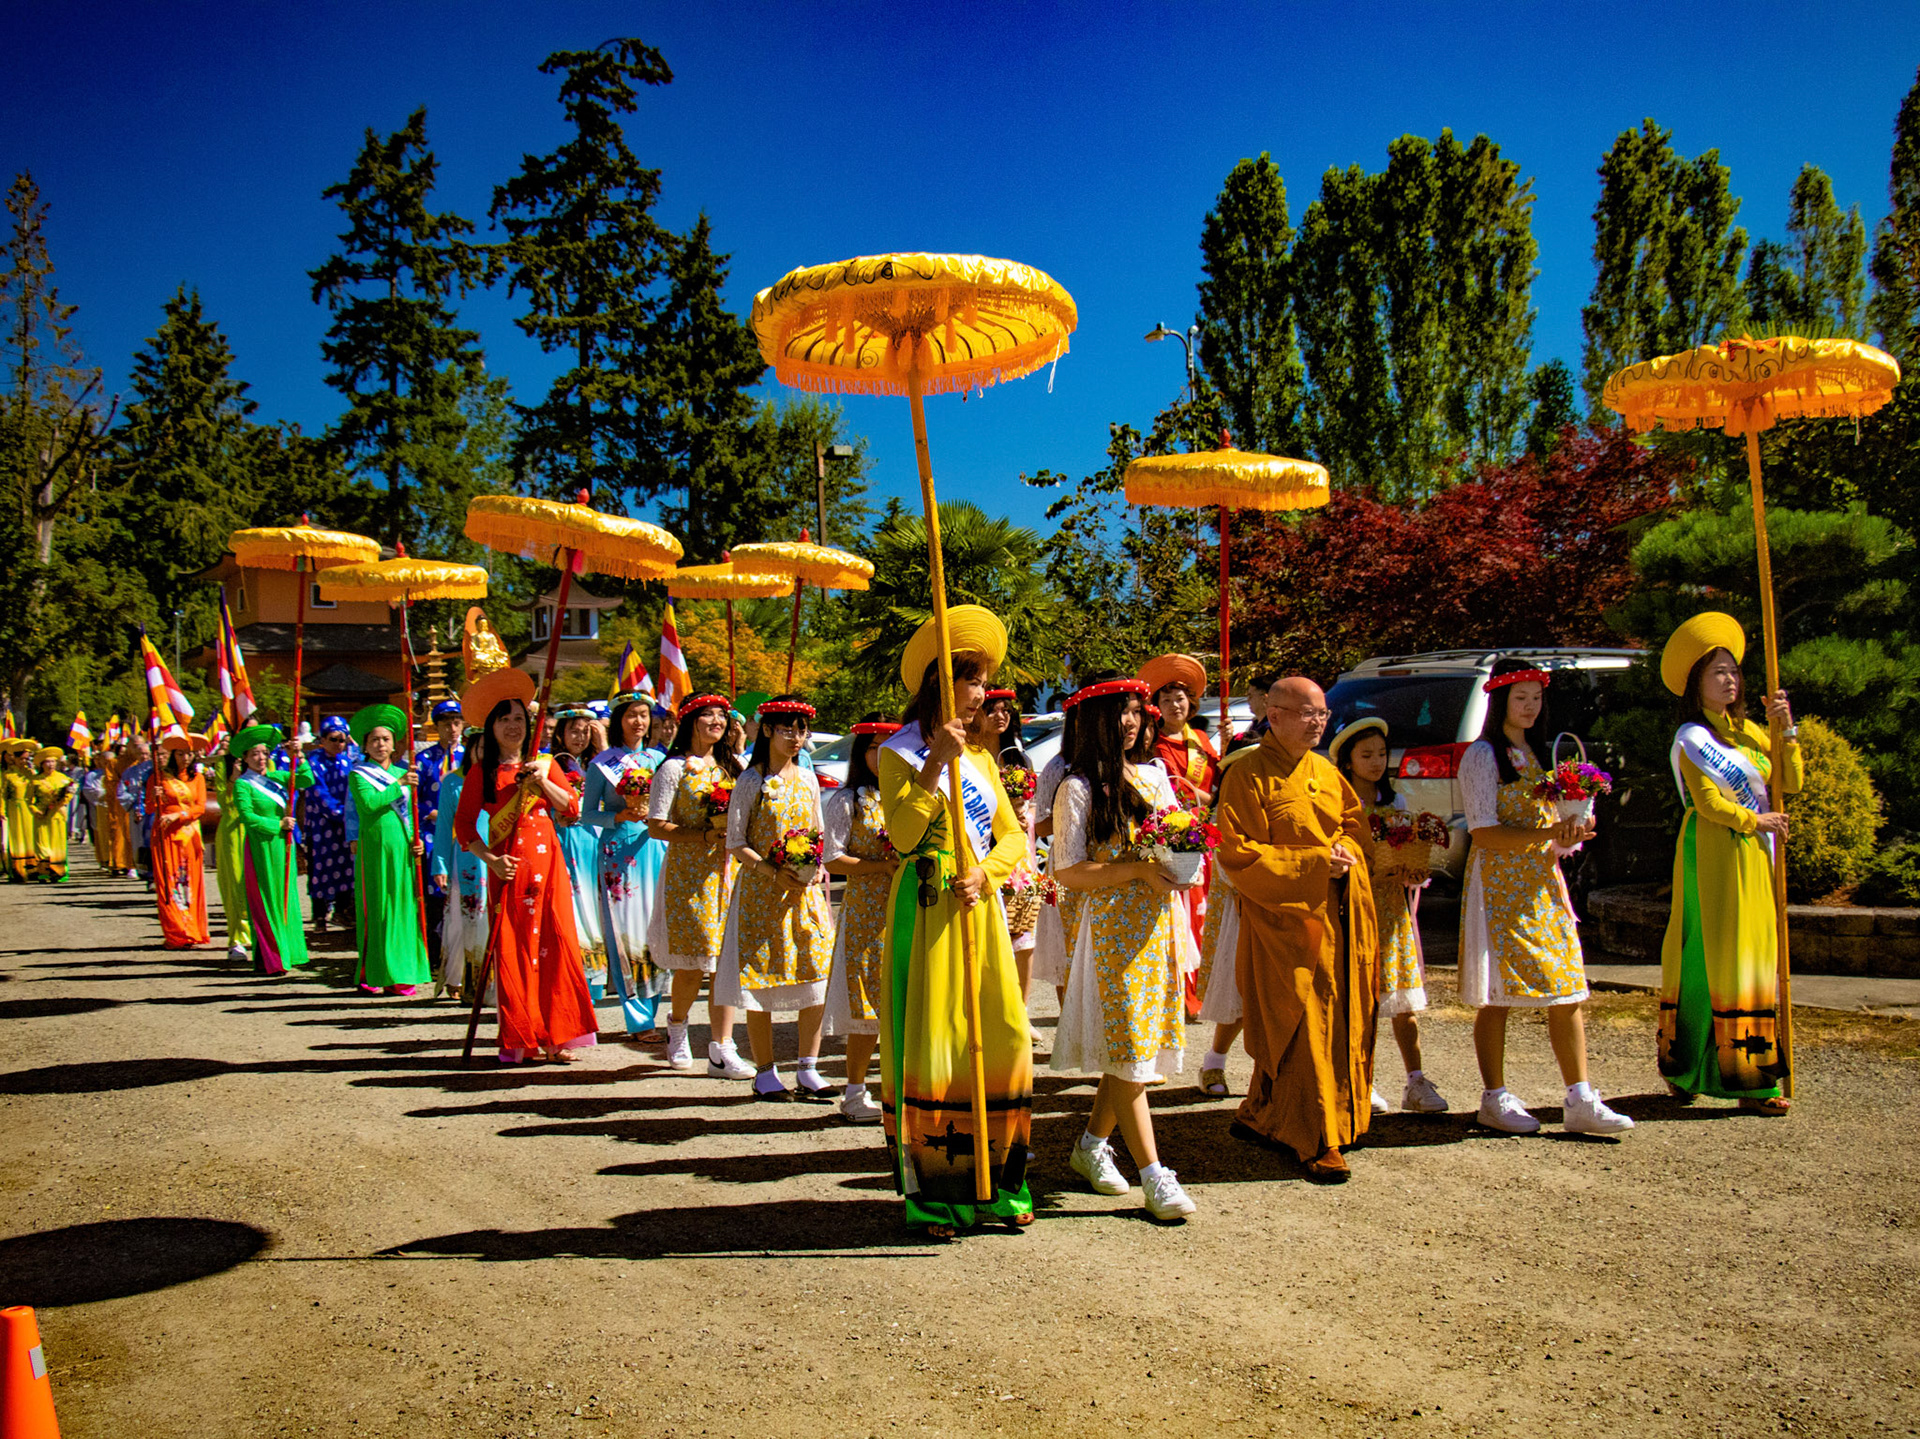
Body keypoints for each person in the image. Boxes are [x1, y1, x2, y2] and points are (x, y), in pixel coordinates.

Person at [877, 606, 1034, 1236]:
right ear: (941, 684)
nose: (981, 693)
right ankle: (937, 1195)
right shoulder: (897, 754)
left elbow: (1013, 836)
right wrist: (933, 763)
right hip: (927, 903)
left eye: (984, 682)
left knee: (1003, 1033)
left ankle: (1000, 1183)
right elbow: (902, 835)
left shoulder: (983, 759)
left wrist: (987, 874)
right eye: (972, 681)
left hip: (977, 904)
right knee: (937, 1043)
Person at [1458, 659, 1633, 1137]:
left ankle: (1580, 1097)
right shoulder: (1482, 756)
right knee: (1498, 993)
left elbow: (1549, 831)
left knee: (1568, 985)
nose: (1530, 706)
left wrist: (1571, 831)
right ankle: (1493, 1097)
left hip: (1541, 885)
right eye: (1520, 698)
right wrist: (1547, 834)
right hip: (1499, 888)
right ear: (1499, 702)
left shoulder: (1537, 755)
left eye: (1537, 697)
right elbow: (1484, 832)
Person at [1216, 676, 1380, 1182]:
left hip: (1335, 915)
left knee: (1334, 1018)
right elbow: (1238, 853)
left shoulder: (1326, 770)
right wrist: (1313, 863)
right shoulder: (1246, 775)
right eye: (1308, 714)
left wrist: (1345, 849)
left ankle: (1266, 1113)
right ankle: (1316, 1136)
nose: (1318, 723)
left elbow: (1354, 824)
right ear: (1274, 715)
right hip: (1281, 921)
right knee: (1300, 1020)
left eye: (1322, 714)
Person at [1050, 674, 1200, 1222]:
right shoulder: (1077, 787)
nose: (1132, 721)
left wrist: (1185, 858)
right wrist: (1136, 870)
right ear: (1094, 720)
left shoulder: (1156, 774)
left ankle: (1091, 1146)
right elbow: (1068, 869)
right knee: (1132, 1051)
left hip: (1159, 927)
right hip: (1111, 933)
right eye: (1121, 711)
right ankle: (1155, 1175)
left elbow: (1177, 840)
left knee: (1131, 1051)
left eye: (1137, 710)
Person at [1656, 613, 1802, 1114]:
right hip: (1713, 852)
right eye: (1717, 671)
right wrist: (1753, 820)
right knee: (1708, 955)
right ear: (1696, 682)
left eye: (1733, 671)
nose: (1729, 679)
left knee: (1750, 957)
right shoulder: (1693, 737)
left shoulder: (1752, 734)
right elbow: (1707, 803)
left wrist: (1785, 730)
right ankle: (1700, 1070)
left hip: (1755, 855)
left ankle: (1743, 1075)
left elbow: (1790, 783)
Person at [452, 669, 599, 1064]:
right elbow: (464, 826)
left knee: (556, 943)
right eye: (504, 719)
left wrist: (541, 783)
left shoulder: (545, 765)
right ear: (491, 726)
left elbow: (571, 809)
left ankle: (558, 1037)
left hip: (548, 865)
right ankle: (522, 1037)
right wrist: (492, 860)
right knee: (515, 949)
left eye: (519, 718)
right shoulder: (482, 772)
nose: (513, 726)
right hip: (508, 869)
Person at [717, 694, 837, 1101]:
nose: (795, 738)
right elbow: (736, 842)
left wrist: (813, 867)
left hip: (803, 893)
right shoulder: (751, 782)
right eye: (787, 729)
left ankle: (808, 1066)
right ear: (767, 730)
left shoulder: (807, 778)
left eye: (801, 730)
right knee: (761, 980)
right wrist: (771, 871)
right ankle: (765, 1070)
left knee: (817, 974)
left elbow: (817, 831)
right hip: (761, 892)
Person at [1331, 718, 1448, 1116]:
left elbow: (1405, 853)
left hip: (1392, 908)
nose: (1376, 762)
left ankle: (1416, 1080)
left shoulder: (1395, 802)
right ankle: (1361, 1080)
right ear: (1348, 761)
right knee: (1360, 1000)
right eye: (1366, 755)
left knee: (1402, 999)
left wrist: (1411, 870)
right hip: (1354, 907)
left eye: (1381, 753)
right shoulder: (1339, 803)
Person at [647, 694, 751, 1077]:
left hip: (731, 874)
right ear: (690, 720)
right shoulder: (673, 768)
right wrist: (703, 836)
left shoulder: (735, 767)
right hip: (688, 876)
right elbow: (656, 825)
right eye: (708, 714)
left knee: (726, 963)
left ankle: (722, 1048)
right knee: (693, 964)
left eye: (722, 715)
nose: (716, 721)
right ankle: (677, 1026)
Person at [823, 716, 901, 1123]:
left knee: (903, 1001)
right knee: (865, 1003)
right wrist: (878, 866)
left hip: (907, 908)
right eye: (876, 746)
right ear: (862, 752)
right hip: (866, 914)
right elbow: (833, 858)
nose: (884, 754)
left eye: (892, 745)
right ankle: (855, 1091)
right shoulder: (848, 800)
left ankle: (900, 1087)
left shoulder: (908, 795)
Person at [583, 690, 669, 1038]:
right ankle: (638, 1019)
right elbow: (587, 813)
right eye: (632, 715)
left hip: (655, 848)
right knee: (625, 935)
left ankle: (653, 1009)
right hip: (618, 854)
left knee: (656, 931)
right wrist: (618, 815)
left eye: (644, 715)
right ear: (619, 720)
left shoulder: (660, 759)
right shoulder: (602, 763)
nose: (638, 721)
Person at [348, 704, 430, 996]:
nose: (380, 744)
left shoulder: (404, 772)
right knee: (378, 908)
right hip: (375, 848)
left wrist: (416, 840)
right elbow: (369, 804)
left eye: (385, 739)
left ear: (395, 744)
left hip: (402, 848)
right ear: (365, 746)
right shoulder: (359, 775)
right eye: (374, 740)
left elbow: (412, 812)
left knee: (403, 907)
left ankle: (402, 973)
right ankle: (375, 972)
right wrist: (399, 784)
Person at [229, 725, 314, 976]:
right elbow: (247, 817)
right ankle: (272, 957)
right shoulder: (243, 785)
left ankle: (289, 951)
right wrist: (278, 825)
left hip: (283, 846)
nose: (260, 758)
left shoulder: (277, 777)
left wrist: (299, 756)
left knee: (286, 896)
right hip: (261, 846)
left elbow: (306, 780)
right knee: (267, 898)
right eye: (254, 754)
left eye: (265, 753)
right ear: (245, 758)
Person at [548, 705, 609, 998]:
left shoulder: (592, 763)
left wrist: (603, 745)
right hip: (566, 839)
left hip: (592, 840)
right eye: (574, 730)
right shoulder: (552, 763)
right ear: (561, 733)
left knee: (593, 907)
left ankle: (595, 977)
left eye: (586, 731)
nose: (580, 737)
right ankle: (575, 976)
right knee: (574, 906)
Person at [431, 735, 488, 1001]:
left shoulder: (503, 779)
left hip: (496, 855)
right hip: (465, 858)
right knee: (461, 918)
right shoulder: (453, 782)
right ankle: (459, 978)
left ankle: (488, 980)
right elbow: (444, 826)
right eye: (482, 747)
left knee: (490, 918)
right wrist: (440, 864)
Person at [415, 699, 465, 973]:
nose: (452, 729)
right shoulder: (423, 760)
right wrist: (433, 813)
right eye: (447, 724)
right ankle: (435, 954)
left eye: (457, 723)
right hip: (433, 834)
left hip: (466, 834)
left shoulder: (471, 757)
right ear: (438, 727)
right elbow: (412, 799)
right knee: (436, 893)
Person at [151, 734, 211, 947]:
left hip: (189, 834)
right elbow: (149, 807)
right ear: (172, 755)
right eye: (180, 754)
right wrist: (155, 795)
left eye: (189, 754)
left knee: (189, 881)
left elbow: (200, 807)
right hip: (165, 834)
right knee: (169, 880)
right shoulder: (160, 777)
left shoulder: (198, 778)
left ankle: (192, 929)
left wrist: (179, 815)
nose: (185, 758)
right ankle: (176, 932)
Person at [304, 716, 357, 935]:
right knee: (320, 868)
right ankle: (319, 915)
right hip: (321, 825)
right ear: (323, 740)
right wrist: (341, 813)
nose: (338, 744)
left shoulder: (347, 761)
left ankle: (342, 911)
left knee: (346, 866)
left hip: (345, 824)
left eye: (342, 740)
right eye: (333, 739)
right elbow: (319, 793)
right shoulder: (313, 763)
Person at [211, 738, 254, 963]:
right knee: (236, 886)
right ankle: (237, 939)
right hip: (233, 831)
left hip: (260, 830)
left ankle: (261, 937)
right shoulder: (224, 764)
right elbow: (224, 801)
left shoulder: (268, 762)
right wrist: (234, 778)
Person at [31, 747, 75, 883]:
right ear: (41, 764)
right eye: (47, 762)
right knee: (42, 844)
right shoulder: (35, 780)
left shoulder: (63, 779)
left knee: (57, 843)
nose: (50, 765)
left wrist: (63, 800)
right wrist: (35, 810)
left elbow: (70, 794)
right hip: (41, 815)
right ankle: (43, 872)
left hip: (58, 815)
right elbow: (29, 799)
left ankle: (58, 871)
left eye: (53, 762)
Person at [98, 740, 136, 876]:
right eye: (134, 746)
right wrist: (126, 788)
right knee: (121, 832)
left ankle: (139, 864)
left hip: (142, 802)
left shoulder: (146, 762)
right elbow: (110, 782)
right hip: (121, 803)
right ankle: (122, 863)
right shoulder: (115, 763)